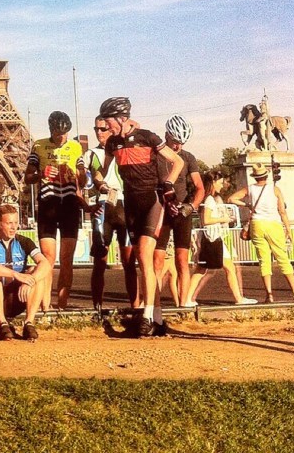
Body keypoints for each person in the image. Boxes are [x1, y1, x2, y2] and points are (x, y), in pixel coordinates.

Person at [93, 97, 183, 337]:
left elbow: (177, 161)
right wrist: (97, 181)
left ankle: (146, 317)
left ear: (121, 118)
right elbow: (103, 170)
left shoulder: (147, 137)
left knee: (143, 254)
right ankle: (157, 319)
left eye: (108, 121)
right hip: (131, 204)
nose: (106, 126)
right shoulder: (113, 143)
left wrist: (169, 184)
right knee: (146, 263)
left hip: (152, 201)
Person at [24, 110, 86, 309]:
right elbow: (28, 177)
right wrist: (41, 173)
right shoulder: (39, 145)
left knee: (67, 259)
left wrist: (78, 174)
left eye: (65, 134)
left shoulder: (75, 147)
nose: (62, 138)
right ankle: (45, 306)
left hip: (69, 205)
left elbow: (83, 180)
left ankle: (62, 305)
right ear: (51, 130)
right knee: (47, 258)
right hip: (48, 204)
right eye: (58, 134)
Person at [84, 116, 138, 311]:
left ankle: (136, 308)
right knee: (100, 262)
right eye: (96, 129)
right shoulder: (91, 153)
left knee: (129, 262)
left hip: (124, 205)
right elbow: (88, 179)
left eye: (103, 129)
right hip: (103, 207)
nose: (99, 133)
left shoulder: (125, 148)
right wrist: (95, 192)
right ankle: (97, 308)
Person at [230, 163, 294, 303]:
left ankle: (269, 294)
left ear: (255, 177)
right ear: (266, 175)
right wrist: (288, 229)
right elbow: (282, 211)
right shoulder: (275, 189)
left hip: (257, 224)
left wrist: (248, 204)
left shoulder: (250, 189)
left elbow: (232, 199)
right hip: (273, 224)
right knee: (282, 258)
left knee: (264, 261)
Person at [152, 115, 204, 308]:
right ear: (166, 135)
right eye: (175, 142)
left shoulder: (188, 157)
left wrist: (191, 206)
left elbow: (200, 187)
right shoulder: (156, 155)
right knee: (157, 260)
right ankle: (154, 305)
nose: (178, 147)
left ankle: (184, 304)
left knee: (182, 260)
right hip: (161, 209)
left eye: (182, 143)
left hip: (182, 211)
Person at [0, 204, 51, 341]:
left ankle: (29, 323)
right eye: (9, 223)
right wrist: (16, 274)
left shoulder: (25, 241)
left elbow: (45, 263)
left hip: (20, 297)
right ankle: (3, 324)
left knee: (36, 272)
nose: (14, 227)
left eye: (16, 223)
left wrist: (30, 281)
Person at [185, 171, 257, 306]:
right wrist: (224, 219)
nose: (222, 185)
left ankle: (188, 298)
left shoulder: (209, 199)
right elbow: (206, 220)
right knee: (213, 268)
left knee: (205, 269)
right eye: (220, 183)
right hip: (212, 237)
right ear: (213, 183)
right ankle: (238, 299)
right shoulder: (209, 200)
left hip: (212, 237)